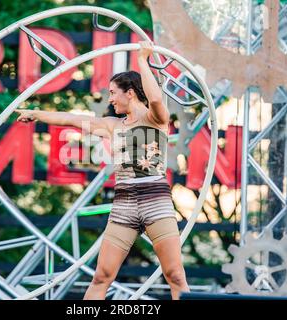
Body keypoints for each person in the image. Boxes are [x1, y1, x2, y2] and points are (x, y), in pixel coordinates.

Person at [15, 41, 190, 300]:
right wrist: (36, 113)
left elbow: (154, 97)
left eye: (112, 93)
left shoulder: (156, 118)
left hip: (156, 201)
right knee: (102, 276)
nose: (109, 99)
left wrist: (143, 59)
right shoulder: (112, 125)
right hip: (124, 204)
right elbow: (70, 119)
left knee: (175, 275)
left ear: (129, 93)